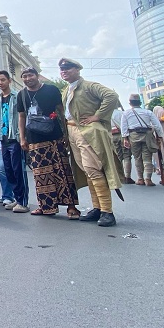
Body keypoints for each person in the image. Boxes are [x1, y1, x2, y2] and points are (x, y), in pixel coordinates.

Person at [59, 58, 124, 227]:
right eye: (61, 68)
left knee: (93, 169)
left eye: (67, 67)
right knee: (86, 171)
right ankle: (97, 208)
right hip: (72, 131)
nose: (63, 71)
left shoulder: (89, 85)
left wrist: (98, 116)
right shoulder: (66, 90)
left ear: (77, 69)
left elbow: (111, 96)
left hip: (87, 131)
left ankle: (107, 211)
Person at [17, 67, 80, 218]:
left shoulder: (51, 90)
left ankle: (71, 207)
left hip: (55, 137)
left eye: (30, 75)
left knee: (63, 172)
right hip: (34, 141)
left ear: (37, 76)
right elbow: (21, 117)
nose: (27, 78)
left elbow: (61, 110)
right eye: (24, 76)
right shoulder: (21, 94)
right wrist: (22, 138)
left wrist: (65, 133)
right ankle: (46, 206)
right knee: (40, 175)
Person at [0, 69, 28, 213]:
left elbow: (23, 117)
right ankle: (16, 199)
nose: (0, 83)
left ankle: (23, 202)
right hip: (3, 139)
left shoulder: (18, 96)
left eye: (3, 80)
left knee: (18, 170)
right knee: (8, 171)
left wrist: (23, 137)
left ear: (9, 80)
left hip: (15, 138)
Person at [120, 94, 164, 186]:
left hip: (133, 135)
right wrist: (160, 136)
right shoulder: (148, 112)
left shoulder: (126, 113)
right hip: (147, 135)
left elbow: (124, 127)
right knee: (147, 157)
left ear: (130, 103)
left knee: (137, 157)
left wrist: (125, 138)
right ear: (140, 102)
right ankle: (148, 179)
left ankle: (140, 179)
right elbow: (157, 125)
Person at [110, 102, 134, 184]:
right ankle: (127, 176)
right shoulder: (122, 113)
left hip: (112, 136)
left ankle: (120, 176)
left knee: (118, 156)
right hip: (123, 135)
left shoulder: (106, 114)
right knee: (127, 156)